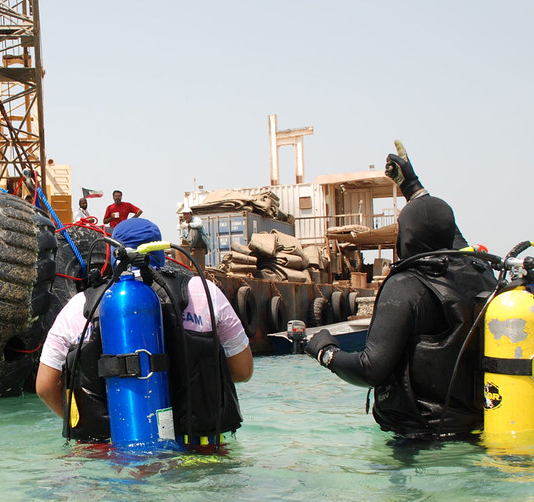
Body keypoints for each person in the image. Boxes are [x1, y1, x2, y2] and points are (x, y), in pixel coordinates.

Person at [305, 147, 497, 439]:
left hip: (420, 440)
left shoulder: (405, 285)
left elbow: (371, 369)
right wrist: (412, 186)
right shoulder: (481, 273)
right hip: (476, 431)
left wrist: (324, 351)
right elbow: (445, 229)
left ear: (405, 235)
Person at [36, 217, 252, 443]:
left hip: (106, 454)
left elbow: (44, 387)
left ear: (113, 251)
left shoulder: (80, 306)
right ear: (158, 248)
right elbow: (243, 370)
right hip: (197, 448)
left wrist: (84, 422)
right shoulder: (204, 292)